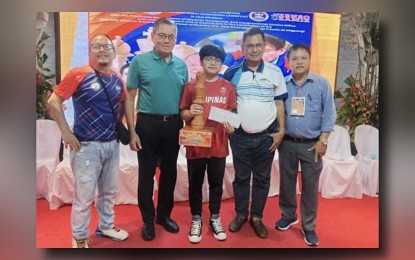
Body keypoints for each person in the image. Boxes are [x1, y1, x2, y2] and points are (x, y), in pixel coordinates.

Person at [47, 34, 129, 248]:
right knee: (84, 196)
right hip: (85, 146)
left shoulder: (117, 78)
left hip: (112, 144)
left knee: (109, 191)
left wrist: (117, 126)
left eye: (106, 46)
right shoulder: (78, 74)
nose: (102, 50)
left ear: (113, 51)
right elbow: (54, 102)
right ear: (90, 51)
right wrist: (65, 132)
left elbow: (121, 104)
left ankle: (106, 226)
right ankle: (80, 235)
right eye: (97, 46)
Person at [125, 17, 188, 241]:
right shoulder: (140, 62)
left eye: (171, 36)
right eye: (162, 35)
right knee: (146, 174)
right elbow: (130, 96)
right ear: (152, 36)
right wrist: (132, 131)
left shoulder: (182, 65)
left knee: (170, 174)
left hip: (173, 125)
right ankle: (148, 221)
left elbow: (185, 101)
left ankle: (163, 216)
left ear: (176, 39)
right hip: (147, 125)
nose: (166, 40)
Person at [223, 27, 287, 239]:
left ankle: (257, 217)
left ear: (264, 46)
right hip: (239, 137)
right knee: (241, 178)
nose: (254, 49)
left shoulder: (274, 72)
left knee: (262, 179)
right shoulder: (232, 72)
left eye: (259, 45)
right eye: (249, 45)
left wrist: (281, 132)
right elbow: (226, 105)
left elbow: (279, 103)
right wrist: (230, 126)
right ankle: (241, 214)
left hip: (266, 138)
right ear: (243, 48)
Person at [275, 43, 336, 246]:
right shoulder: (283, 84)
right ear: (288, 62)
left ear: (309, 60)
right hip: (287, 143)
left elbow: (329, 114)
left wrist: (323, 141)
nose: (299, 62)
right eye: (295, 58)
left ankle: (308, 227)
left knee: (310, 187)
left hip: (312, 145)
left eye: (303, 58)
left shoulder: (321, 83)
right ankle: (288, 215)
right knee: (286, 183)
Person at [179, 44, 237, 243]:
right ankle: (196, 219)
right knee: (195, 184)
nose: (213, 63)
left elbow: (231, 115)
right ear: (202, 61)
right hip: (195, 143)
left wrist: (231, 126)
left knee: (216, 184)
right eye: (209, 59)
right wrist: (191, 112)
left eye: (217, 60)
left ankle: (214, 218)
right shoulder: (191, 86)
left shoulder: (228, 87)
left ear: (221, 64)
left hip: (219, 145)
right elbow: (183, 113)